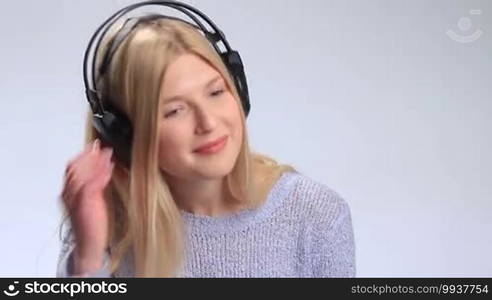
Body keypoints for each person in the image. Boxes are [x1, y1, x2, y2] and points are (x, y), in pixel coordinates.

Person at [56, 11, 356, 278]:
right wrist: (87, 259)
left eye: (215, 92)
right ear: (124, 136)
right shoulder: (105, 224)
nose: (208, 123)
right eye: (175, 111)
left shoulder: (314, 216)